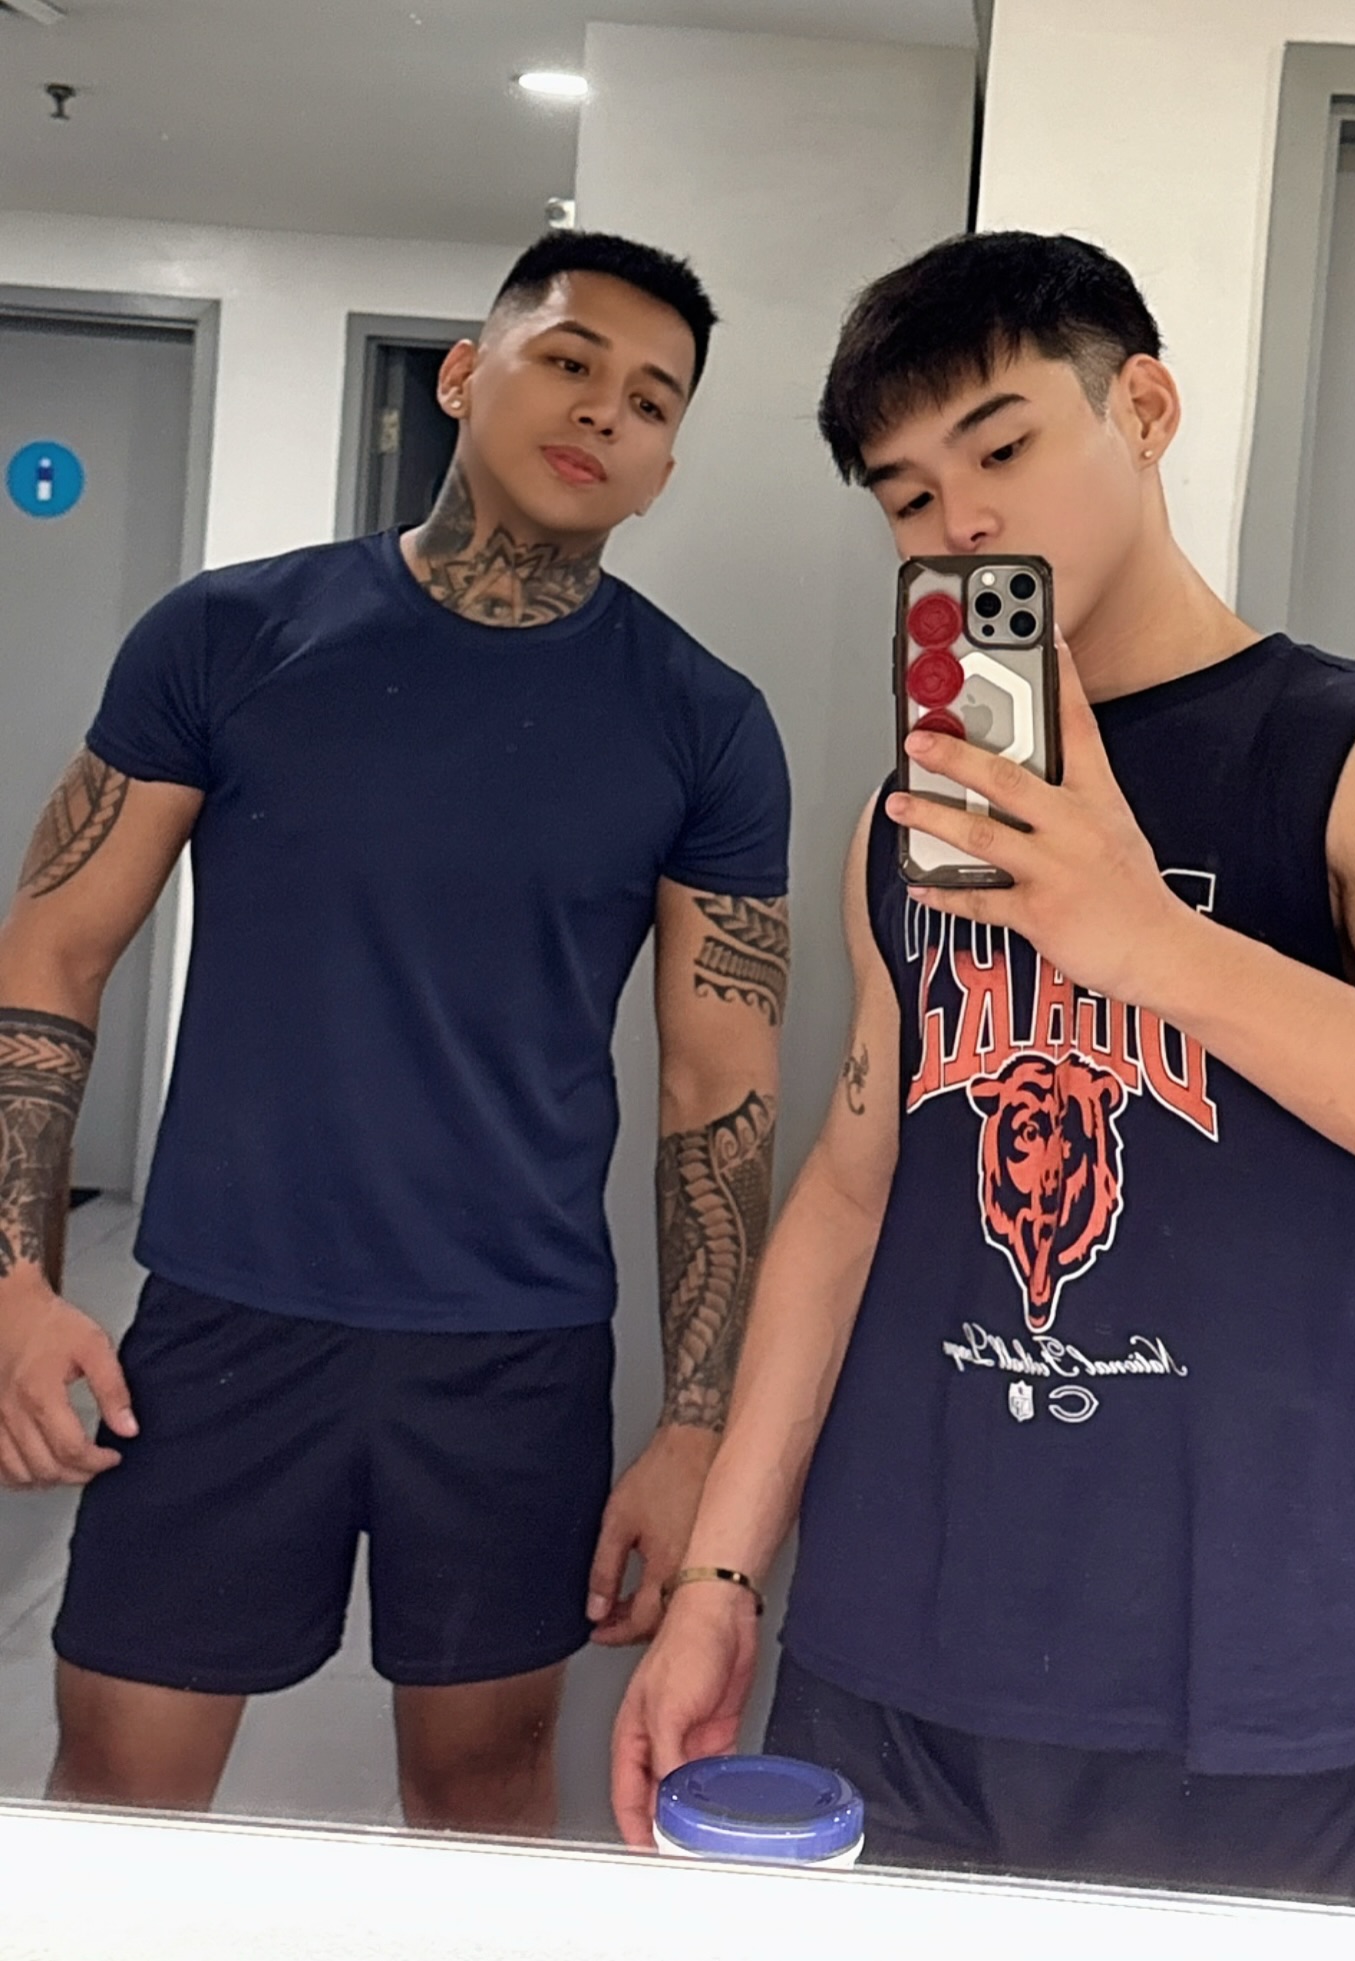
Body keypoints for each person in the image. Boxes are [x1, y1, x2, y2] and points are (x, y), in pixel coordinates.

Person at [611, 231, 1355, 1901]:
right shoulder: (920, 811)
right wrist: (722, 1577)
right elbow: (853, 1192)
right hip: (885, 1659)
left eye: (1003, 448)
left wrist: (1148, 940)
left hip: (1234, 1690)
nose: (961, 523)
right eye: (908, 495)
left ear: (1144, 409)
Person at [0, 228, 791, 1836]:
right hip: (223, 1319)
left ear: (662, 470)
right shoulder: (228, 636)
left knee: (486, 1804)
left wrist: (697, 1427)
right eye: (568, 359)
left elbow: (718, 1093)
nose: (605, 410)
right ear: (464, 374)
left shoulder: (703, 721)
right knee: (119, 1802)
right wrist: (14, 1277)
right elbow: (54, 951)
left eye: (652, 401)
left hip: (513, 1349)